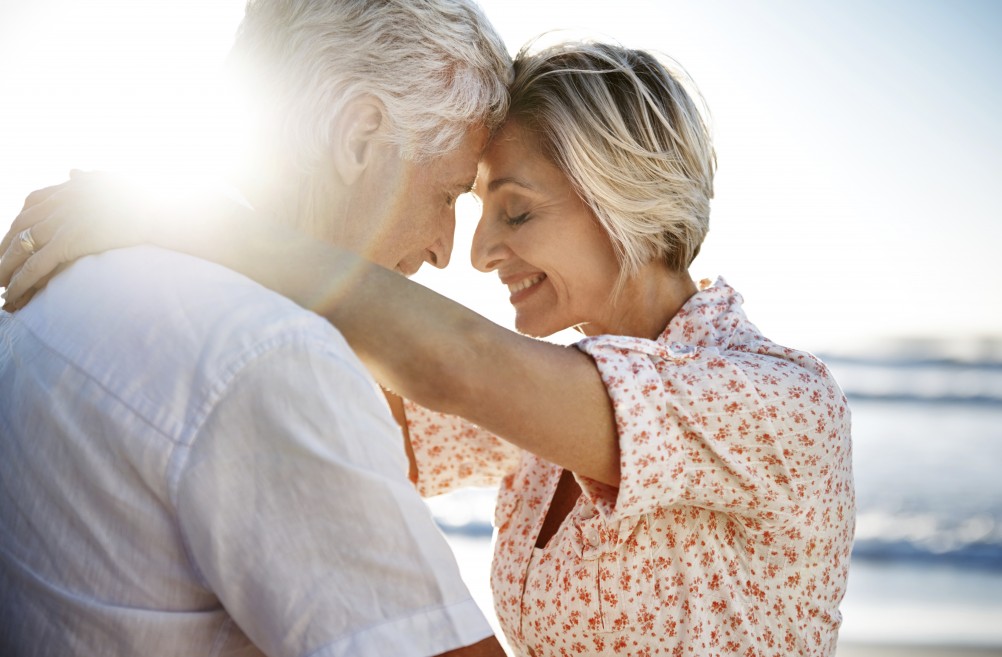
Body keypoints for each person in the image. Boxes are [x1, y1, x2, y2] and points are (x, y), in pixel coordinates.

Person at [1, 41, 856, 657]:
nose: (478, 252)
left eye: (514, 212)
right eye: (472, 206)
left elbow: (456, 362)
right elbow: (333, 395)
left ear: (627, 203)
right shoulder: (552, 404)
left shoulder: (778, 405)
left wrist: (202, 225)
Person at [0, 1, 513, 656]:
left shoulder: (76, 270)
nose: (446, 249)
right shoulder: (275, 356)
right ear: (359, 138)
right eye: (447, 194)